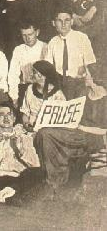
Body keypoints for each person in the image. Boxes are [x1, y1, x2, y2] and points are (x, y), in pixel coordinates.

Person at [34, 68, 107, 197]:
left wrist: (81, 128)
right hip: (75, 132)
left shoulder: (104, 99)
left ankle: (56, 180)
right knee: (44, 133)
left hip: (93, 136)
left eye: (87, 74)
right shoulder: (83, 92)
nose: (84, 76)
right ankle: (54, 178)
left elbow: (103, 130)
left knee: (48, 134)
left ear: (96, 77)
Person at [44, 7, 96, 99]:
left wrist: (87, 76)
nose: (63, 24)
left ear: (72, 21)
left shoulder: (82, 38)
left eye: (67, 20)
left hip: (78, 82)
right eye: (59, 21)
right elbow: (48, 67)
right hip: (59, 83)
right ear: (53, 23)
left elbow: (90, 63)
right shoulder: (52, 42)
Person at [7, 21, 48, 107]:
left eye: (30, 34)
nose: (27, 38)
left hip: (43, 89)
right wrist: (14, 97)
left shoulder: (46, 47)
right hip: (24, 89)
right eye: (24, 35)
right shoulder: (18, 50)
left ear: (37, 32)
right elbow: (13, 75)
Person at [20, 60, 66, 129]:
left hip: (49, 129)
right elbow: (25, 112)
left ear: (42, 76)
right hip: (31, 126)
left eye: (34, 72)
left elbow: (61, 118)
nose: (31, 74)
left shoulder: (57, 94)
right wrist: (26, 123)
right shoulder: (29, 88)